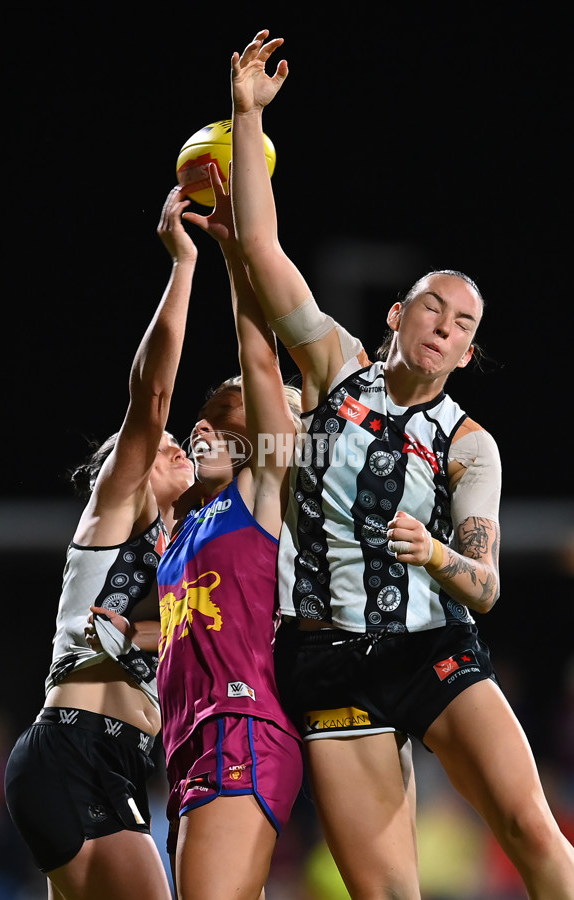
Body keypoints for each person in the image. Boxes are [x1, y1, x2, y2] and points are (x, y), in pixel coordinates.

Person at [229, 28, 574, 900]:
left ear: (466, 356)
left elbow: (486, 586)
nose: (447, 327)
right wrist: (244, 115)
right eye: (434, 307)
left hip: (433, 649)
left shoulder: (469, 444)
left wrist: (439, 557)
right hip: (330, 658)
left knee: (534, 828)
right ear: (396, 314)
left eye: (464, 326)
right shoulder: (335, 367)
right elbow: (265, 257)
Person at [4, 186, 198, 900]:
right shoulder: (114, 513)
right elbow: (150, 396)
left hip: (111, 762)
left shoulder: (184, 546)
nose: (174, 446)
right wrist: (184, 264)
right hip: (74, 747)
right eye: (163, 445)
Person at [155, 164, 304, 900]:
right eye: (202, 416)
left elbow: (261, 359)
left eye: (225, 414)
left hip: (240, 723)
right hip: (185, 742)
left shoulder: (263, 485)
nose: (205, 424)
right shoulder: (180, 530)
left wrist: (233, 252)